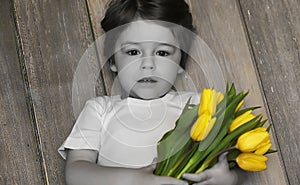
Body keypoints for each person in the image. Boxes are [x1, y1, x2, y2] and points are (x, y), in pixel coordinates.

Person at [58, 0, 238, 184]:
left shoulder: (200, 105)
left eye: (162, 53)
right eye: (133, 52)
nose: (148, 64)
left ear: (180, 62)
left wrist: (227, 178)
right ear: (112, 61)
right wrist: (136, 180)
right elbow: (76, 171)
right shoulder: (99, 109)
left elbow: (227, 158)